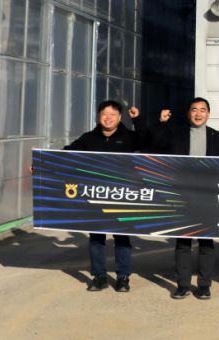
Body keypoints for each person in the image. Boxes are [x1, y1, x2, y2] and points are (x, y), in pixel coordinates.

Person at [152, 97, 219, 300]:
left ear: (208, 114)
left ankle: (204, 285)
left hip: (207, 196)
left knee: (206, 243)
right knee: (183, 242)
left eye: (202, 110)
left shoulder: (217, 136)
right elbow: (154, 148)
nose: (198, 113)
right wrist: (161, 124)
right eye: (194, 109)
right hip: (181, 195)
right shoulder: (175, 133)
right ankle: (183, 285)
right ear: (189, 113)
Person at [65, 99, 143, 293]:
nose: (108, 118)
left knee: (122, 238)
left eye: (112, 115)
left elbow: (150, 140)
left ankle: (123, 277)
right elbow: (66, 154)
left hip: (121, 195)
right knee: (96, 238)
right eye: (104, 114)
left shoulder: (129, 137)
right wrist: (41, 163)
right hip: (96, 196)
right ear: (98, 117)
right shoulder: (89, 138)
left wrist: (138, 120)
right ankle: (99, 276)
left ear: (120, 117)